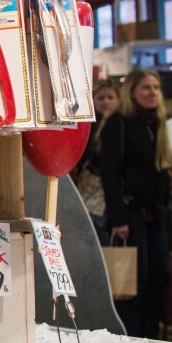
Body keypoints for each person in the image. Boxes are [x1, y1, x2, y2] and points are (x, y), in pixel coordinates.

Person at [99, 69, 172, 338]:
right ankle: (131, 338)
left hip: (157, 214)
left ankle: (151, 338)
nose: (153, 92)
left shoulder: (160, 122)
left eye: (156, 87)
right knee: (134, 282)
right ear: (132, 92)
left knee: (158, 276)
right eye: (146, 87)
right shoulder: (119, 123)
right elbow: (110, 173)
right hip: (130, 214)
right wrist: (118, 217)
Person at [72, 79, 120, 245]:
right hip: (92, 190)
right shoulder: (87, 125)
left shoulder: (120, 123)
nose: (106, 102)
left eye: (110, 97)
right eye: (101, 98)